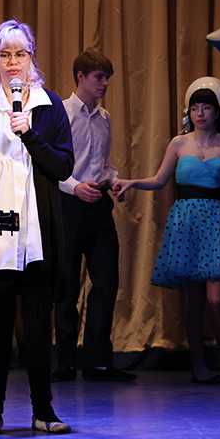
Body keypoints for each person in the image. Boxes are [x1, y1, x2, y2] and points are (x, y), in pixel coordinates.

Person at [114, 89, 220, 384]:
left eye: (206, 107)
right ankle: (198, 366)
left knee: (216, 298)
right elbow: (159, 179)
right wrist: (131, 182)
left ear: (216, 112)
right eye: (195, 108)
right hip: (186, 222)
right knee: (195, 301)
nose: (200, 113)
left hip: (216, 221)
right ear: (189, 113)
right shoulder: (178, 143)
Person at [0, 20, 75, 435]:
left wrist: (31, 136)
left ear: (31, 59)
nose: (12, 62)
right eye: (4, 54)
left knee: (38, 326)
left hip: (37, 235)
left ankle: (44, 411)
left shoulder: (49, 105)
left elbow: (63, 166)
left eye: (20, 54)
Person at [53, 50, 135, 383]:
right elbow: (50, 165)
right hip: (69, 205)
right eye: (99, 77)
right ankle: (65, 362)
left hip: (99, 205)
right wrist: (75, 188)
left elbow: (103, 162)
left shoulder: (104, 117)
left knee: (106, 282)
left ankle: (98, 362)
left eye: (107, 78)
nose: (104, 83)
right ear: (81, 76)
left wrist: (113, 179)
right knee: (67, 286)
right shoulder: (60, 112)